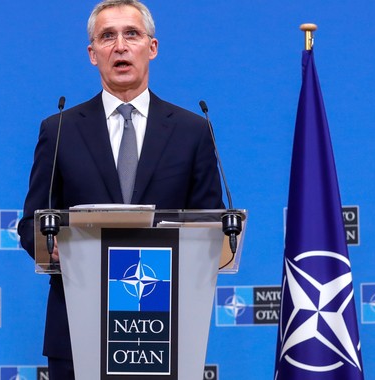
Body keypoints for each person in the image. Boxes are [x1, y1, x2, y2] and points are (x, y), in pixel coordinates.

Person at [18, 0, 224, 378]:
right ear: (92, 54)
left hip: (166, 324)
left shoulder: (192, 131)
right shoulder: (60, 129)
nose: (120, 45)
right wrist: (55, 248)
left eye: (132, 34)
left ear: (152, 47)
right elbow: (32, 222)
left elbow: (209, 223)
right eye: (107, 36)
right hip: (77, 324)